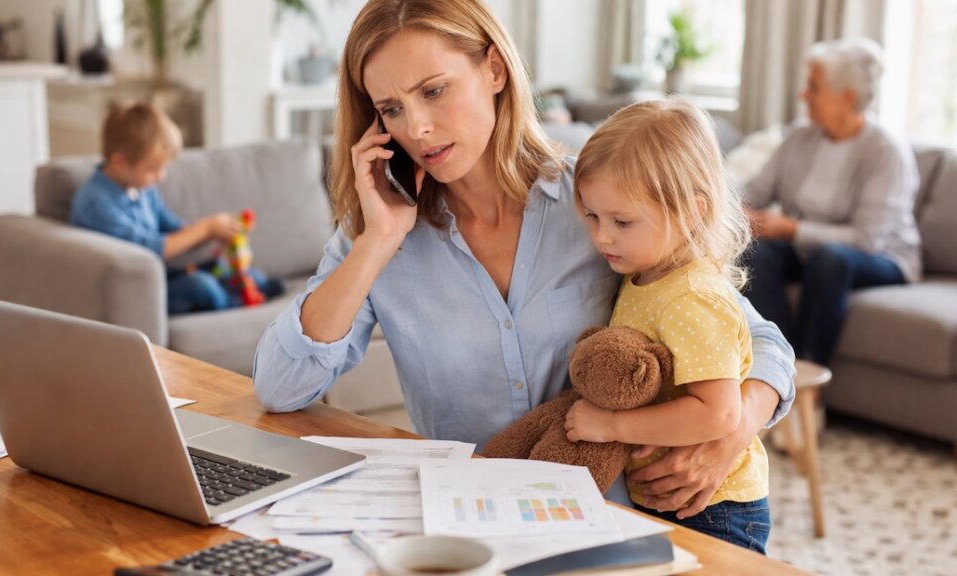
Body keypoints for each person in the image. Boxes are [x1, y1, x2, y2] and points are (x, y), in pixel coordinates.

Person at [253, 0, 795, 517]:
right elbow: (281, 389)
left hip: (612, 517)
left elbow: (758, 339)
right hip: (469, 521)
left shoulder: (603, 204)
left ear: (493, 68)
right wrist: (377, 242)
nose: (415, 128)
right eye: (391, 109)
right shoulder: (377, 234)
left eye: (435, 91)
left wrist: (732, 429)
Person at [562, 100, 770, 552]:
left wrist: (613, 425)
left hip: (714, 506)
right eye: (593, 217)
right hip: (662, 495)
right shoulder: (646, 273)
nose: (601, 237)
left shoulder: (692, 297)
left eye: (622, 221)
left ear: (692, 211)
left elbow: (718, 413)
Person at [741, 38, 921, 365]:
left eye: (813, 86)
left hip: (883, 256)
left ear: (848, 96)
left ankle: (808, 373)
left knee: (830, 258)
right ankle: (778, 362)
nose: (803, 95)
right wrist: (714, 201)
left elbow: (866, 239)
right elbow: (754, 191)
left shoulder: (885, 152)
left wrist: (790, 228)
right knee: (755, 250)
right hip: (810, 250)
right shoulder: (799, 137)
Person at [69, 102, 283, 314]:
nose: (161, 177)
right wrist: (205, 228)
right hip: (138, 290)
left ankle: (259, 288)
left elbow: (172, 227)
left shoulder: (142, 188)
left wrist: (214, 232)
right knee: (201, 286)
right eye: (153, 169)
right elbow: (150, 248)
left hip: (163, 275)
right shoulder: (96, 203)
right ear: (119, 162)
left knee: (240, 273)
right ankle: (241, 303)